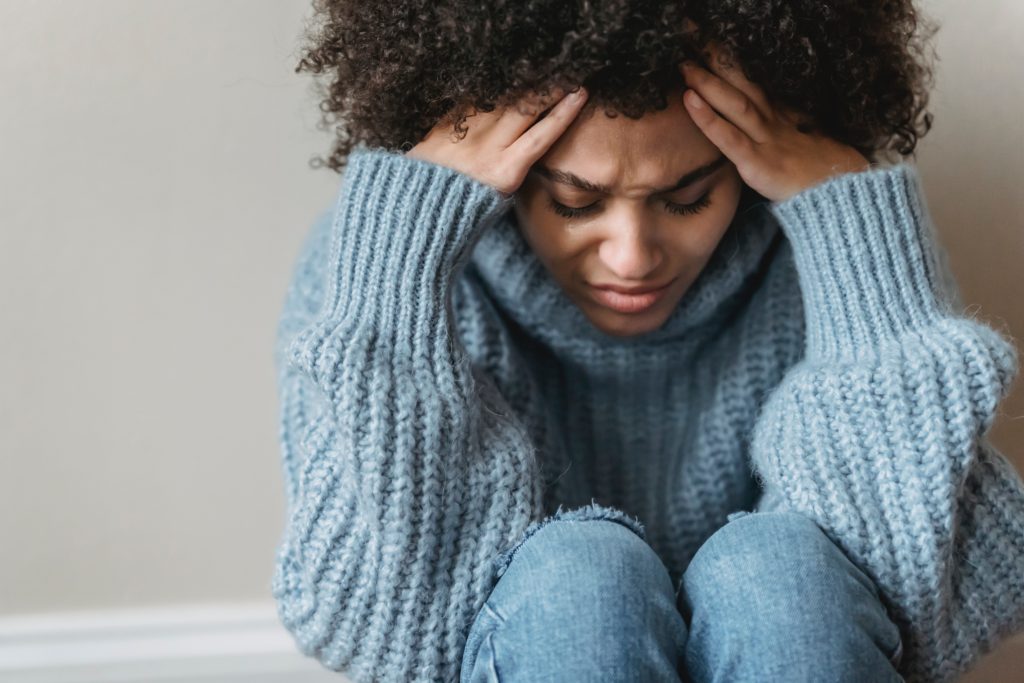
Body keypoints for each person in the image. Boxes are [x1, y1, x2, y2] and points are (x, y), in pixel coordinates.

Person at [271, 2, 1024, 681]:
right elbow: (392, 636)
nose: (631, 256)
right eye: (574, 201)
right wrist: (401, 263)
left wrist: (847, 218)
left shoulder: (841, 246)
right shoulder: (394, 267)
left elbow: (922, 615)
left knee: (781, 574)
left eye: (688, 196)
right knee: (580, 580)